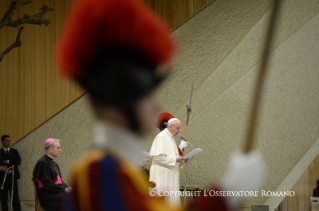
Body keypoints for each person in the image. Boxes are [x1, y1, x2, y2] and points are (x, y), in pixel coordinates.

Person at [55, 0, 265, 210]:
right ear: (118, 105)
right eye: (146, 95)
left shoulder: (114, 168)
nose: (157, 106)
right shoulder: (100, 174)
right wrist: (228, 192)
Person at [150, 117, 188, 207]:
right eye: (178, 128)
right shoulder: (161, 137)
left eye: (180, 128)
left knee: (172, 202)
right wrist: (175, 159)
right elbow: (158, 158)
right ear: (171, 126)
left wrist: (182, 159)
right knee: (164, 202)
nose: (179, 131)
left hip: (171, 175)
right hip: (162, 176)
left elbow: (172, 156)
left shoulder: (171, 138)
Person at [32, 138, 72, 211]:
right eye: (58, 148)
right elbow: (48, 185)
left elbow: (60, 181)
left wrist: (68, 187)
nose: (60, 150)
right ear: (51, 149)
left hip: (55, 193)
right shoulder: (43, 162)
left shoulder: (53, 163)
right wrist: (65, 189)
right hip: (49, 197)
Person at [0, 135, 21, 211]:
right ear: (2, 142)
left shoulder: (14, 151)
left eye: (9, 140)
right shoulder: (0, 152)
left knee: (15, 196)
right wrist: (1, 168)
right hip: (2, 178)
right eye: (7, 140)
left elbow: (18, 161)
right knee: (3, 196)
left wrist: (8, 161)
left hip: (13, 177)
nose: (9, 142)